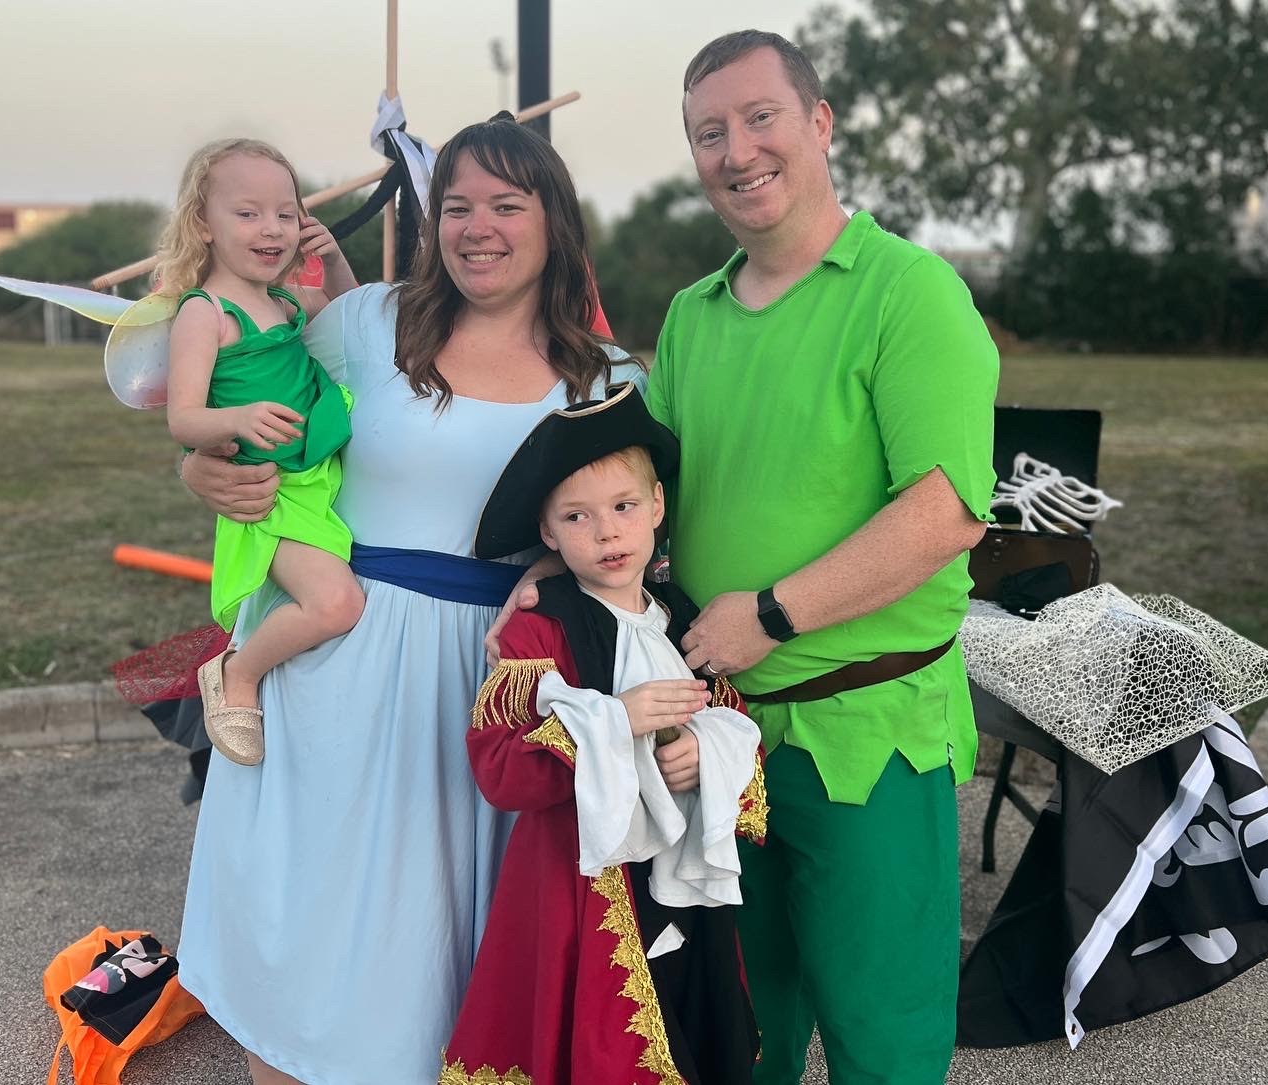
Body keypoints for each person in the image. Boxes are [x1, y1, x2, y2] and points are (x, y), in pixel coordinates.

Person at [174, 116, 653, 1085]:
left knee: (439, 946)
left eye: (506, 205)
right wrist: (198, 470)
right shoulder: (369, 321)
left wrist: (549, 573)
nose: (478, 227)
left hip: (488, 681)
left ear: (554, 221)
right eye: (458, 206)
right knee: (306, 934)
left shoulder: (607, 379)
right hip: (334, 659)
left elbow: (625, 530)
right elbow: (245, 402)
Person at [648, 30, 1001, 1085]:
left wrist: (770, 613)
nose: (737, 151)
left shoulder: (908, 292)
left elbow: (943, 512)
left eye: (759, 118)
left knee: (880, 1036)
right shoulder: (692, 315)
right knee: (737, 1030)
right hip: (723, 734)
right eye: (709, 133)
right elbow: (645, 489)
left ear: (819, 122)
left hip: (869, 737)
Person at [443, 384, 765, 1085]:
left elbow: (736, 725)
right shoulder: (538, 630)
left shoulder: (685, 619)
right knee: (604, 1037)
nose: (607, 533)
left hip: (682, 878)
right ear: (549, 532)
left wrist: (704, 754)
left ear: (657, 506)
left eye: (624, 507)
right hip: (582, 882)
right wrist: (615, 722)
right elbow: (500, 769)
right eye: (577, 516)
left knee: (688, 1021)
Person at [157, 138, 362, 766]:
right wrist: (237, 418)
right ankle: (236, 674)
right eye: (247, 214)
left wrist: (335, 261)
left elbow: (354, 319)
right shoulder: (206, 313)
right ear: (204, 224)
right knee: (336, 604)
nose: (271, 228)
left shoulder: (286, 301)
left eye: (285, 213)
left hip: (317, 476)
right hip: (271, 492)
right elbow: (183, 418)